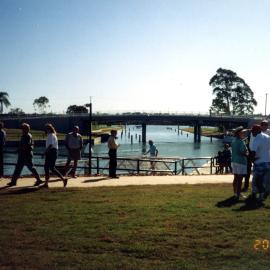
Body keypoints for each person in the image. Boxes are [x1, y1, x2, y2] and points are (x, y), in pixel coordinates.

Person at [250, 124, 270, 201]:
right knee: (264, 181)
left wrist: (252, 160)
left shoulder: (257, 139)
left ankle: (258, 196)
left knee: (257, 181)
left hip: (260, 162)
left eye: (253, 131)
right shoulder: (267, 137)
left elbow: (253, 152)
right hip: (268, 161)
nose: (252, 133)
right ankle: (261, 195)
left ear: (257, 131)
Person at [44, 123, 67, 188]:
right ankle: (46, 183)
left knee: (50, 167)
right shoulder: (51, 135)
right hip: (52, 152)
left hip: (51, 152)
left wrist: (45, 152)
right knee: (48, 167)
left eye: (46, 129)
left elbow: (50, 145)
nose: (45, 130)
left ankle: (63, 179)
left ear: (48, 129)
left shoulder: (51, 135)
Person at [231, 126, 249, 199]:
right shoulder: (241, 142)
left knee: (235, 178)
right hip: (241, 162)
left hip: (234, 161)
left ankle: (235, 192)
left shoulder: (234, 140)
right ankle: (238, 194)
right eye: (242, 132)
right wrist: (247, 153)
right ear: (239, 133)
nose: (244, 133)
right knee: (240, 179)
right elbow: (243, 152)